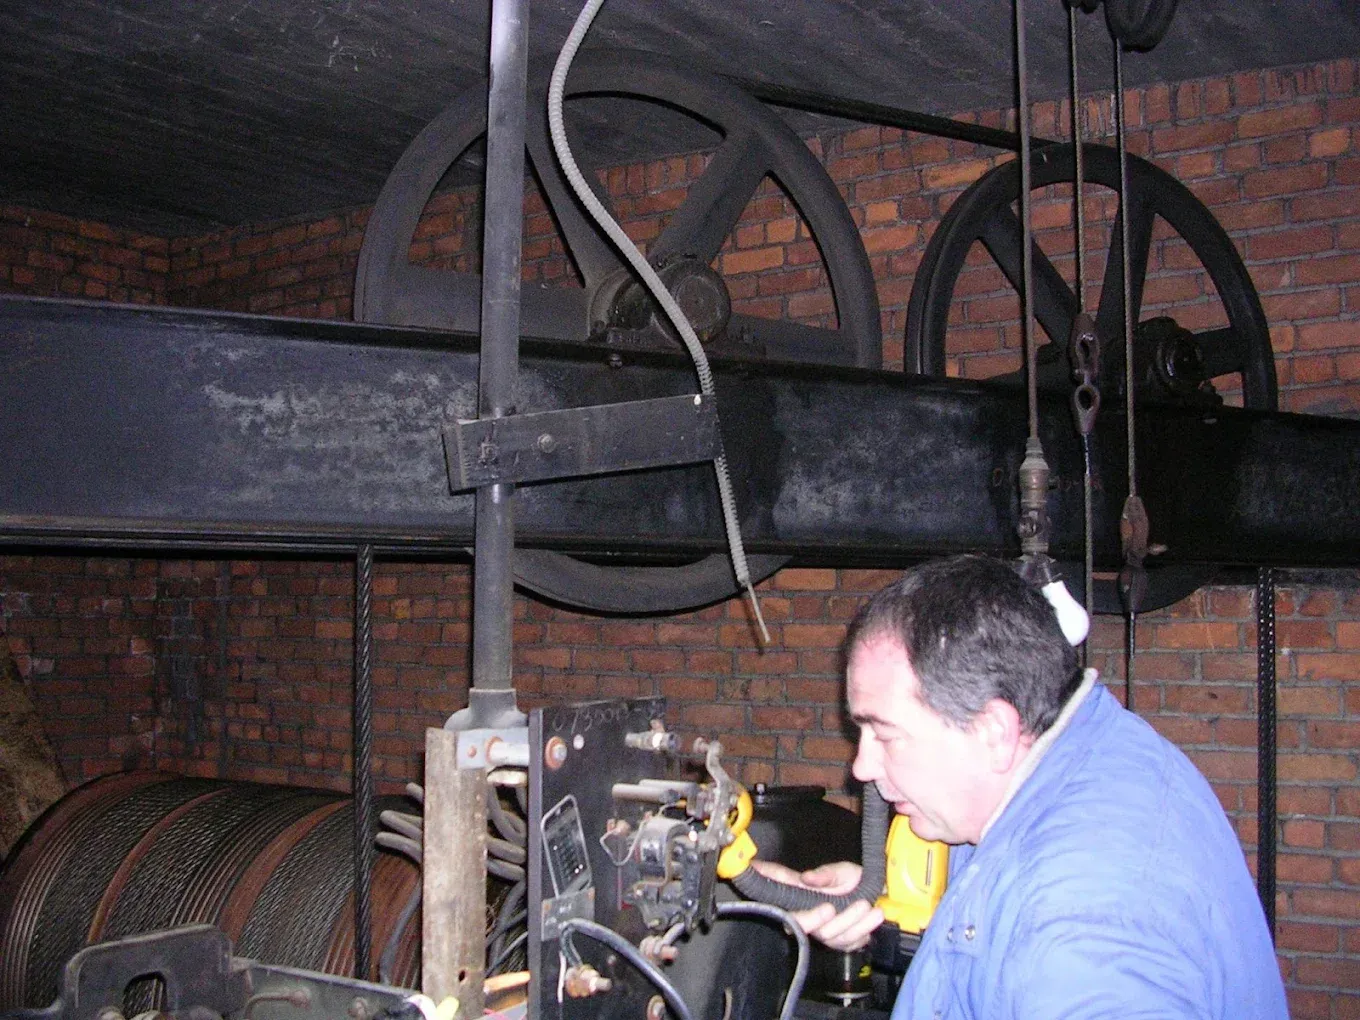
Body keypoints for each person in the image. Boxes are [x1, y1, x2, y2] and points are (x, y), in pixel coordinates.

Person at [753, 554, 1287, 1018]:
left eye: (883, 732)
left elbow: (1053, 936)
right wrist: (881, 900)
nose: (861, 768)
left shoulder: (1082, 925)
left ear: (992, 731)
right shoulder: (1081, 751)